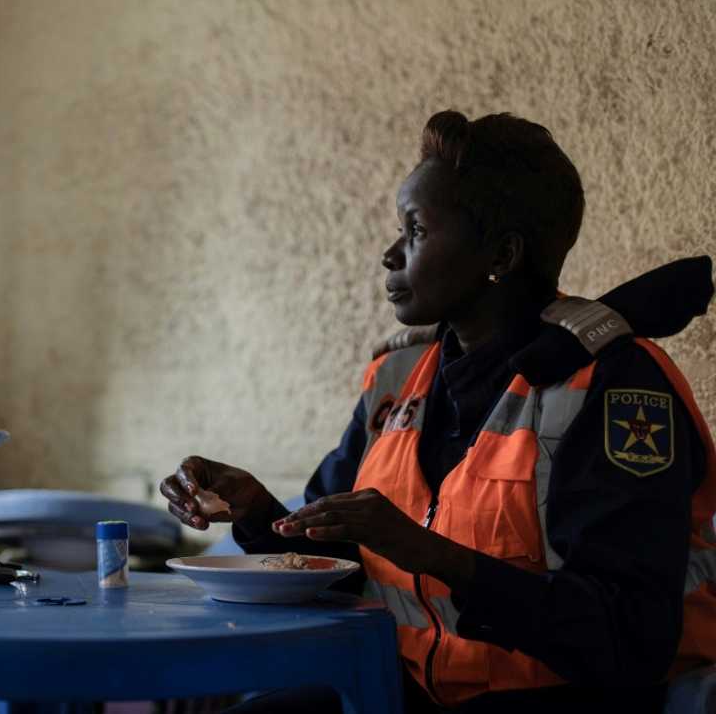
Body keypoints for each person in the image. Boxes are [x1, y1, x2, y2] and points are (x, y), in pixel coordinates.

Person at [161, 111, 716, 712]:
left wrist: (428, 552)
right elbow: (342, 565)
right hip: (407, 687)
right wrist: (258, 511)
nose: (390, 254)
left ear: (500, 254)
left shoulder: (612, 385)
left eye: (417, 230)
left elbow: (629, 639)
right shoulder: (399, 378)